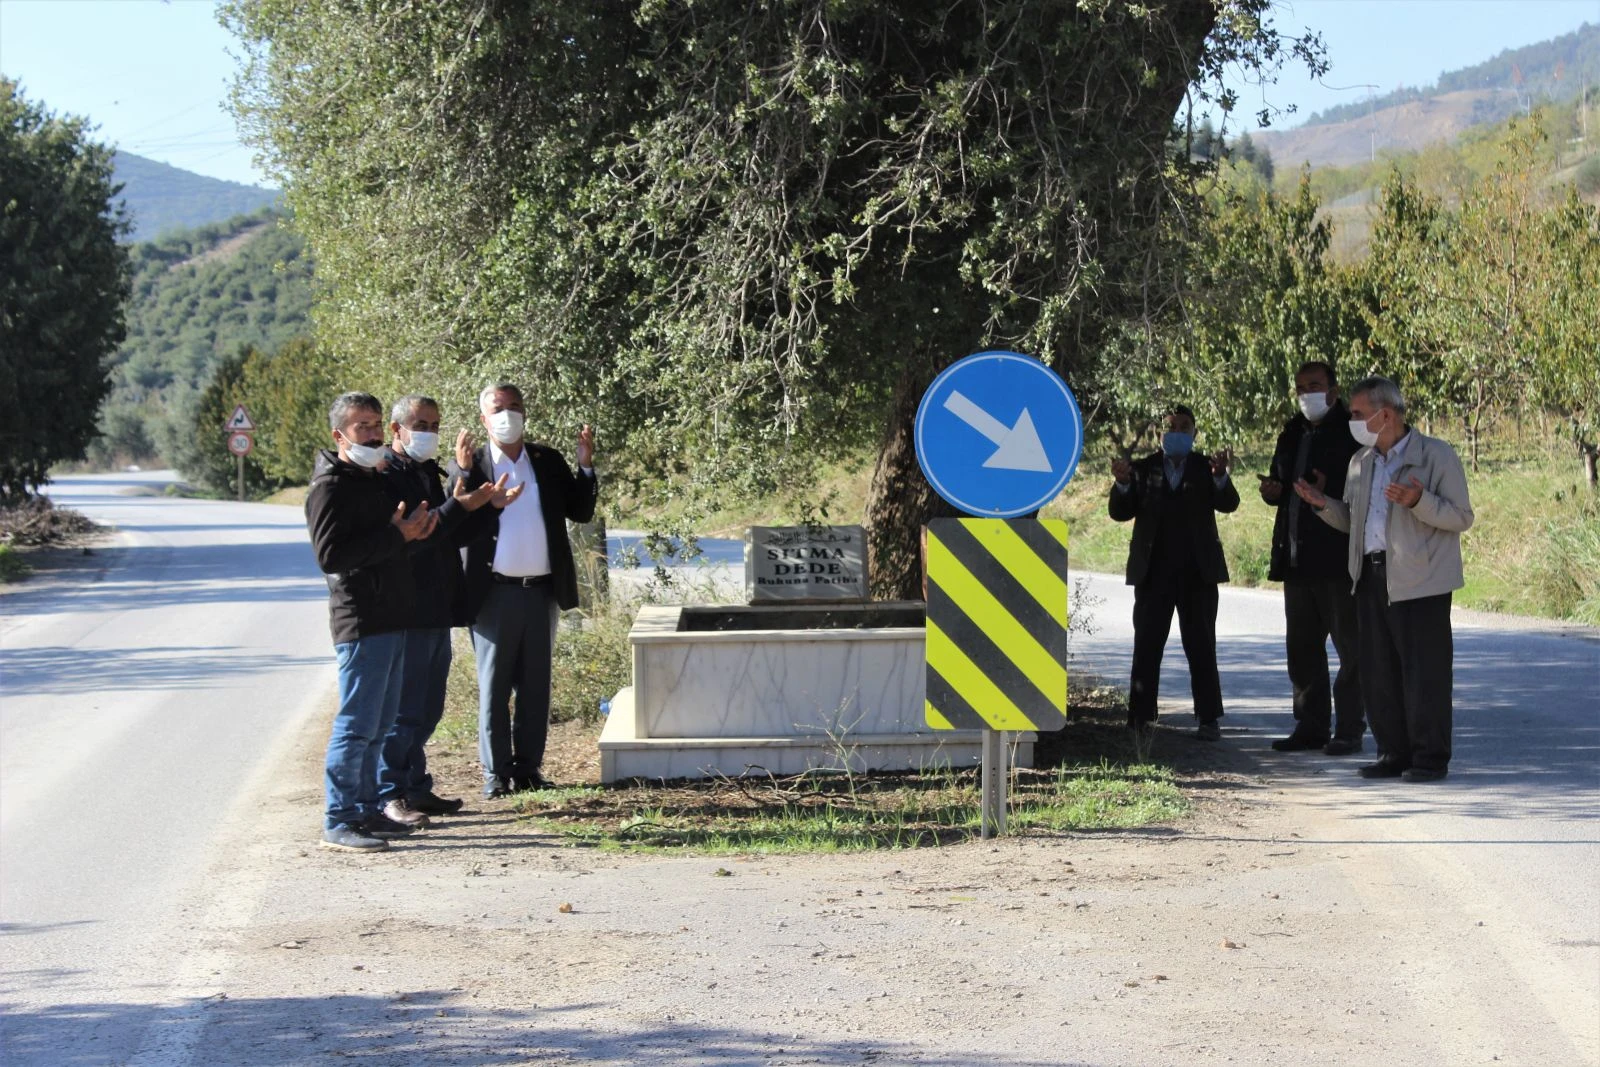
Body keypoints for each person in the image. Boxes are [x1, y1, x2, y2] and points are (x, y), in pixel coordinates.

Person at [1294, 376, 1474, 782]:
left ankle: (1429, 758)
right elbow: (1354, 522)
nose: (1352, 421)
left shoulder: (1435, 456)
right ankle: (1394, 752)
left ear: (1385, 414)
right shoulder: (1362, 462)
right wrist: (1324, 505)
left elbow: (1462, 517)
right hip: (1370, 577)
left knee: (1424, 673)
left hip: (1420, 580)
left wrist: (1419, 501)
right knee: (1378, 672)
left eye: (1358, 414)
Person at [375, 394, 516, 827]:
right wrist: (460, 505)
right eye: (420, 424)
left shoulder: (423, 472)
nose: (429, 433)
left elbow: (447, 532)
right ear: (396, 430)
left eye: (435, 425)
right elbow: (419, 532)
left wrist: (485, 508)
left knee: (429, 706)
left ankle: (416, 786)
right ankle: (389, 793)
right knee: (405, 710)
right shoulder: (385, 475)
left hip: (436, 606)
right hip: (406, 608)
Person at [451, 382, 598, 798]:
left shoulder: (546, 460)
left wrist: (585, 467)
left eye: (515, 406)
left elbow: (580, 511)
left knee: (536, 686)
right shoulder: (471, 464)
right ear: (484, 418)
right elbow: (452, 525)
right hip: (492, 594)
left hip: (541, 591)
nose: (507, 415)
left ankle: (529, 770)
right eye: (498, 408)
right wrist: (463, 478)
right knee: (494, 688)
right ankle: (496, 774)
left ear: (525, 413)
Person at [306, 392, 438, 852]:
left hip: (393, 614)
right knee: (357, 724)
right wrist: (394, 535)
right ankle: (339, 819)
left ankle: (365, 812)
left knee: (380, 724)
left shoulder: (370, 480)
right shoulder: (330, 486)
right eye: (363, 426)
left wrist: (413, 534)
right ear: (339, 435)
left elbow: (387, 544)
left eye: (378, 423)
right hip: (361, 619)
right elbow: (330, 556)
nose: (375, 433)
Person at [1110, 405, 1239, 740]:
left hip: (1198, 574)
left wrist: (1221, 477)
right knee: (1148, 643)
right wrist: (1122, 484)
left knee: (1201, 645)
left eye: (1185, 427)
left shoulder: (1205, 466)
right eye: (1171, 427)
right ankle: (1140, 718)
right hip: (1153, 573)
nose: (1177, 432)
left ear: (1194, 433)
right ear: (1159, 434)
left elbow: (1229, 503)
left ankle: (1209, 719)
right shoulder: (1143, 469)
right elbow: (1120, 512)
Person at [1259, 361, 1365, 755]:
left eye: (1315, 386)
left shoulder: (1351, 434)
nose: (1308, 394)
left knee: (1350, 648)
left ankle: (1350, 729)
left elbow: (1360, 490)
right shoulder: (1291, 432)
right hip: (1296, 557)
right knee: (1302, 649)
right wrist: (1273, 490)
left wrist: (1327, 488)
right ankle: (1310, 726)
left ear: (1334, 391)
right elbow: (1283, 485)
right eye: (1301, 388)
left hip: (1337, 558)